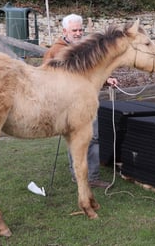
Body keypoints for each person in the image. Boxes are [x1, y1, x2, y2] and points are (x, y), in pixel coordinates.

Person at [42, 14, 118, 188]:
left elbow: (94, 70)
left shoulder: (85, 48)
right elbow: (44, 77)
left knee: (93, 137)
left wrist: (108, 79)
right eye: (74, 30)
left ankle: (92, 176)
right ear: (64, 31)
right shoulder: (55, 51)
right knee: (76, 138)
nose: (78, 33)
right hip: (68, 104)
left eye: (80, 29)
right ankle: (79, 175)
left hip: (88, 100)